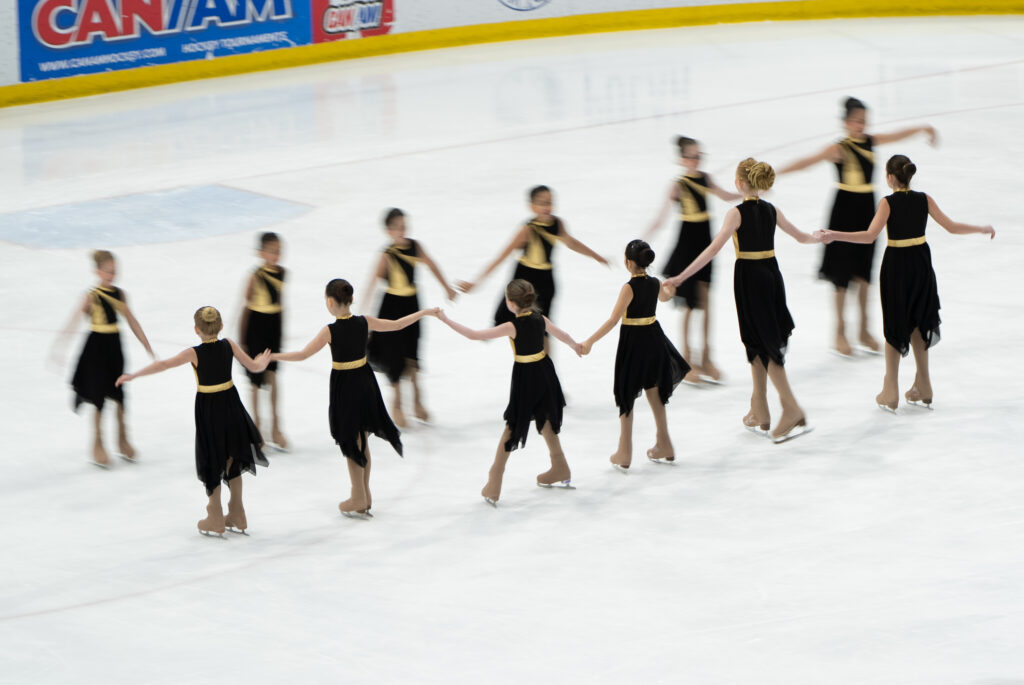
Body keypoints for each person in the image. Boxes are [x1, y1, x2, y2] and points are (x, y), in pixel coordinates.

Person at [815, 155, 994, 411]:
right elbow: (952, 227)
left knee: (896, 321)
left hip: (897, 265)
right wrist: (980, 228)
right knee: (920, 319)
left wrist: (834, 234)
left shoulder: (887, 203)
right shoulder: (924, 199)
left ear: (890, 177)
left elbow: (869, 236)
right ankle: (924, 384)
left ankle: (891, 391)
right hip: (921, 262)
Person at [665, 158, 819, 443]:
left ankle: (792, 408)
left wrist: (679, 277)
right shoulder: (772, 210)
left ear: (739, 183)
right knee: (757, 342)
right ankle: (759, 410)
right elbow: (801, 237)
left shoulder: (736, 213)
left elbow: (712, 250)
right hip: (772, 276)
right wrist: (821, 237)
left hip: (750, 278)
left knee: (766, 343)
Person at [777, 97, 937, 357]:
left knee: (864, 273)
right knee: (841, 275)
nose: (861, 125)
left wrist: (922, 128)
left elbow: (897, 135)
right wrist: (775, 173)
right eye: (856, 120)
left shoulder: (871, 142)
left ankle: (863, 329)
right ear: (845, 122)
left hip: (867, 209)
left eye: (864, 120)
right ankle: (839, 331)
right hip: (844, 209)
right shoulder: (839, 149)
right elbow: (807, 161)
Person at [272, 279, 436, 519]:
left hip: (345, 386)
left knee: (350, 440)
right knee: (362, 438)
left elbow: (303, 354)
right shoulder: (364, 322)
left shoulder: (330, 330)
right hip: (365, 382)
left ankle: (357, 494)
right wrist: (426, 312)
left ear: (330, 302)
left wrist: (273, 356)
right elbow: (398, 324)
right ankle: (364, 495)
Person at [116, 307, 270, 537]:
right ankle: (237, 511)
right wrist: (261, 361)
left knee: (213, 457)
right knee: (231, 456)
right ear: (221, 326)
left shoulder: (194, 353)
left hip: (209, 410)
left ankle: (216, 516)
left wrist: (134, 375)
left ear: (197, 330)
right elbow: (255, 367)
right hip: (231, 405)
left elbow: (164, 365)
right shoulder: (229, 344)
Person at [438, 279, 581, 505]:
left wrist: (445, 319)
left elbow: (475, 335)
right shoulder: (540, 319)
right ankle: (560, 467)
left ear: (511, 303)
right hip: (545, 371)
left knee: (512, 426)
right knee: (544, 419)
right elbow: (561, 334)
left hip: (526, 376)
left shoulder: (512, 326)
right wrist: (576, 346)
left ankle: (494, 483)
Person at [580, 240, 687, 471]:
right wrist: (670, 289)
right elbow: (665, 297)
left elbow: (612, 320)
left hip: (634, 342)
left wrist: (589, 341)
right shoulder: (655, 283)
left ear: (629, 263)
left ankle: (624, 451)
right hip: (654, 338)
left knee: (626, 392)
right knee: (654, 391)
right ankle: (664, 443)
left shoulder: (628, 288)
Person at [455, 185, 608, 346]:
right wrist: (476, 282)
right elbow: (501, 256)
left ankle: (546, 367)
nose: (547, 207)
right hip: (525, 277)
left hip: (547, 279)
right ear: (532, 206)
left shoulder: (558, 224)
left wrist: (597, 257)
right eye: (542, 203)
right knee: (508, 317)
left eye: (549, 202)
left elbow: (572, 243)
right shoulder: (527, 230)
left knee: (544, 325)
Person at [645, 136, 741, 383]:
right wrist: (643, 239)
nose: (695, 160)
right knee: (689, 305)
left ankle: (707, 358)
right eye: (690, 156)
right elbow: (661, 217)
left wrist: (749, 189)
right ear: (681, 159)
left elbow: (728, 196)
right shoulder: (678, 186)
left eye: (699, 156)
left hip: (706, 242)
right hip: (687, 244)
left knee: (706, 302)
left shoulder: (706, 179)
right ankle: (688, 359)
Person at [55, 250, 155, 467]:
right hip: (96, 349)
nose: (112, 275)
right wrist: (60, 345)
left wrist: (146, 343)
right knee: (99, 398)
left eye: (114, 271)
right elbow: (74, 320)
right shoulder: (92, 296)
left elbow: (132, 320)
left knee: (119, 394)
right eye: (108, 272)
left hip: (114, 348)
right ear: (97, 271)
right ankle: (98, 445)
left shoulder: (120, 294)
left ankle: (123, 440)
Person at [361, 208, 457, 427]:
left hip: (412, 304)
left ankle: (418, 401)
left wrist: (447, 288)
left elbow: (432, 265)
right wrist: (363, 314)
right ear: (388, 231)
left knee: (413, 354)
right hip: (391, 308)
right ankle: (397, 404)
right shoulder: (387, 254)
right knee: (394, 356)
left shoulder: (415, 247)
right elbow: (373, 282)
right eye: (396, 227)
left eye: (404, 226)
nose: (402, 230)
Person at [239, 232, 288, 450]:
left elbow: (280, 304)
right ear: (261, 253)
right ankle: (257, 429)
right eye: (271, 250)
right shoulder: (255, 276)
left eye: (278, 250)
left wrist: (281, 330)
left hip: (273, 328)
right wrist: (242, 339)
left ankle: (276, 428)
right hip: (256, 328)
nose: (276, 255)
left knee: (274, 376)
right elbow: (246, 308)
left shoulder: (283, 273)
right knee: (256, 382)